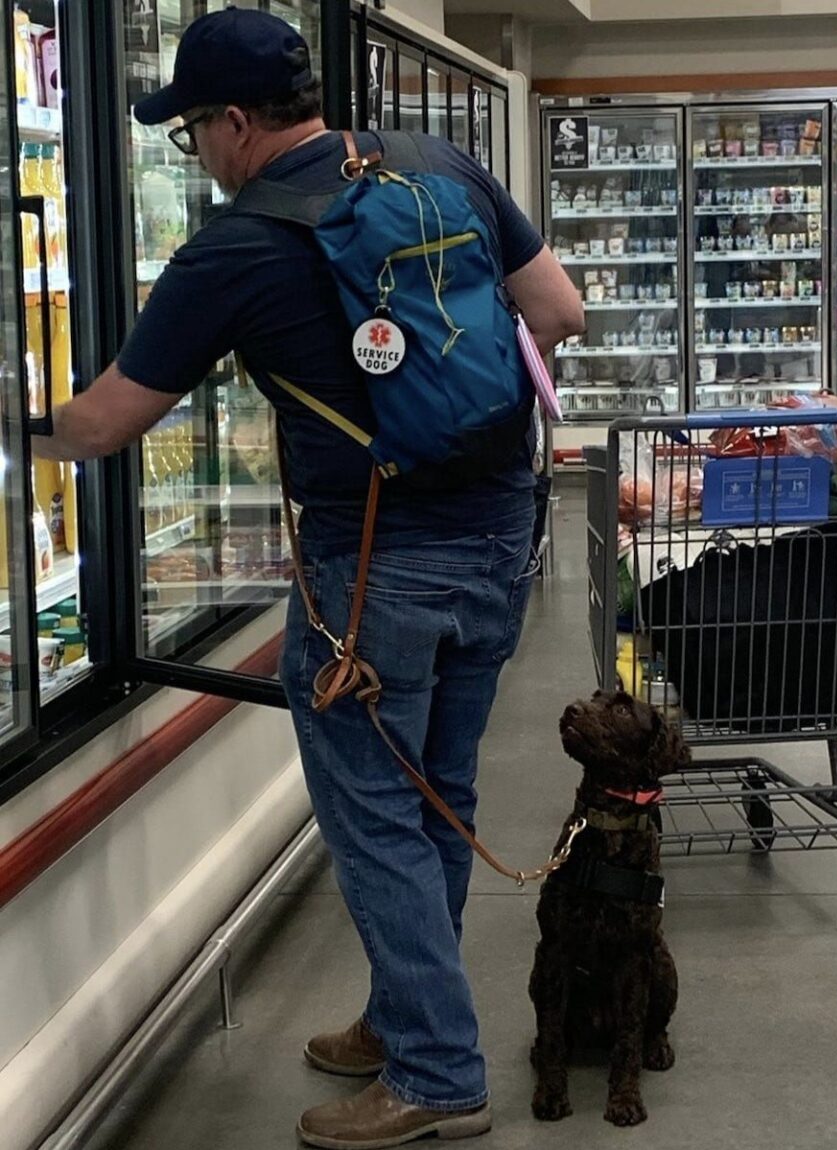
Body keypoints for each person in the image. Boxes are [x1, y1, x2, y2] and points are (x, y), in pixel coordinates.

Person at [32, 8, 584, 1147]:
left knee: (375, 816)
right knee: (440, 790)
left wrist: (15, 429)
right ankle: (402, 1017)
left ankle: (437, 1071)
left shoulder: (236, 244)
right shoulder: (439, 164)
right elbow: (557, 311)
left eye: (192, 133)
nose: (199, 154)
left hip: (372, 568)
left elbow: (99, 426)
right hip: (499, 537)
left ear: (235, 122)